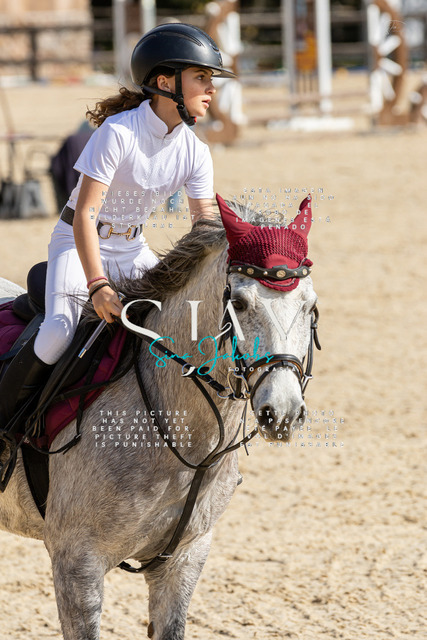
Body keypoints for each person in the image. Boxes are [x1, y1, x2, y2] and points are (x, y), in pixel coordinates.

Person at [0, 23, 235, 443]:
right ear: (165, 82)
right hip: (78, 242)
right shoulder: (118, 132)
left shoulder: (196, 151)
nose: (211, 88)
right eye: (201, 76)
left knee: (172, 323)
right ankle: (7, 430)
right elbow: (84, 215)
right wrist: (98, 285)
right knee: (57, 333)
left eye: (210, 79)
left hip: (132, 248)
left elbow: (204, 226)